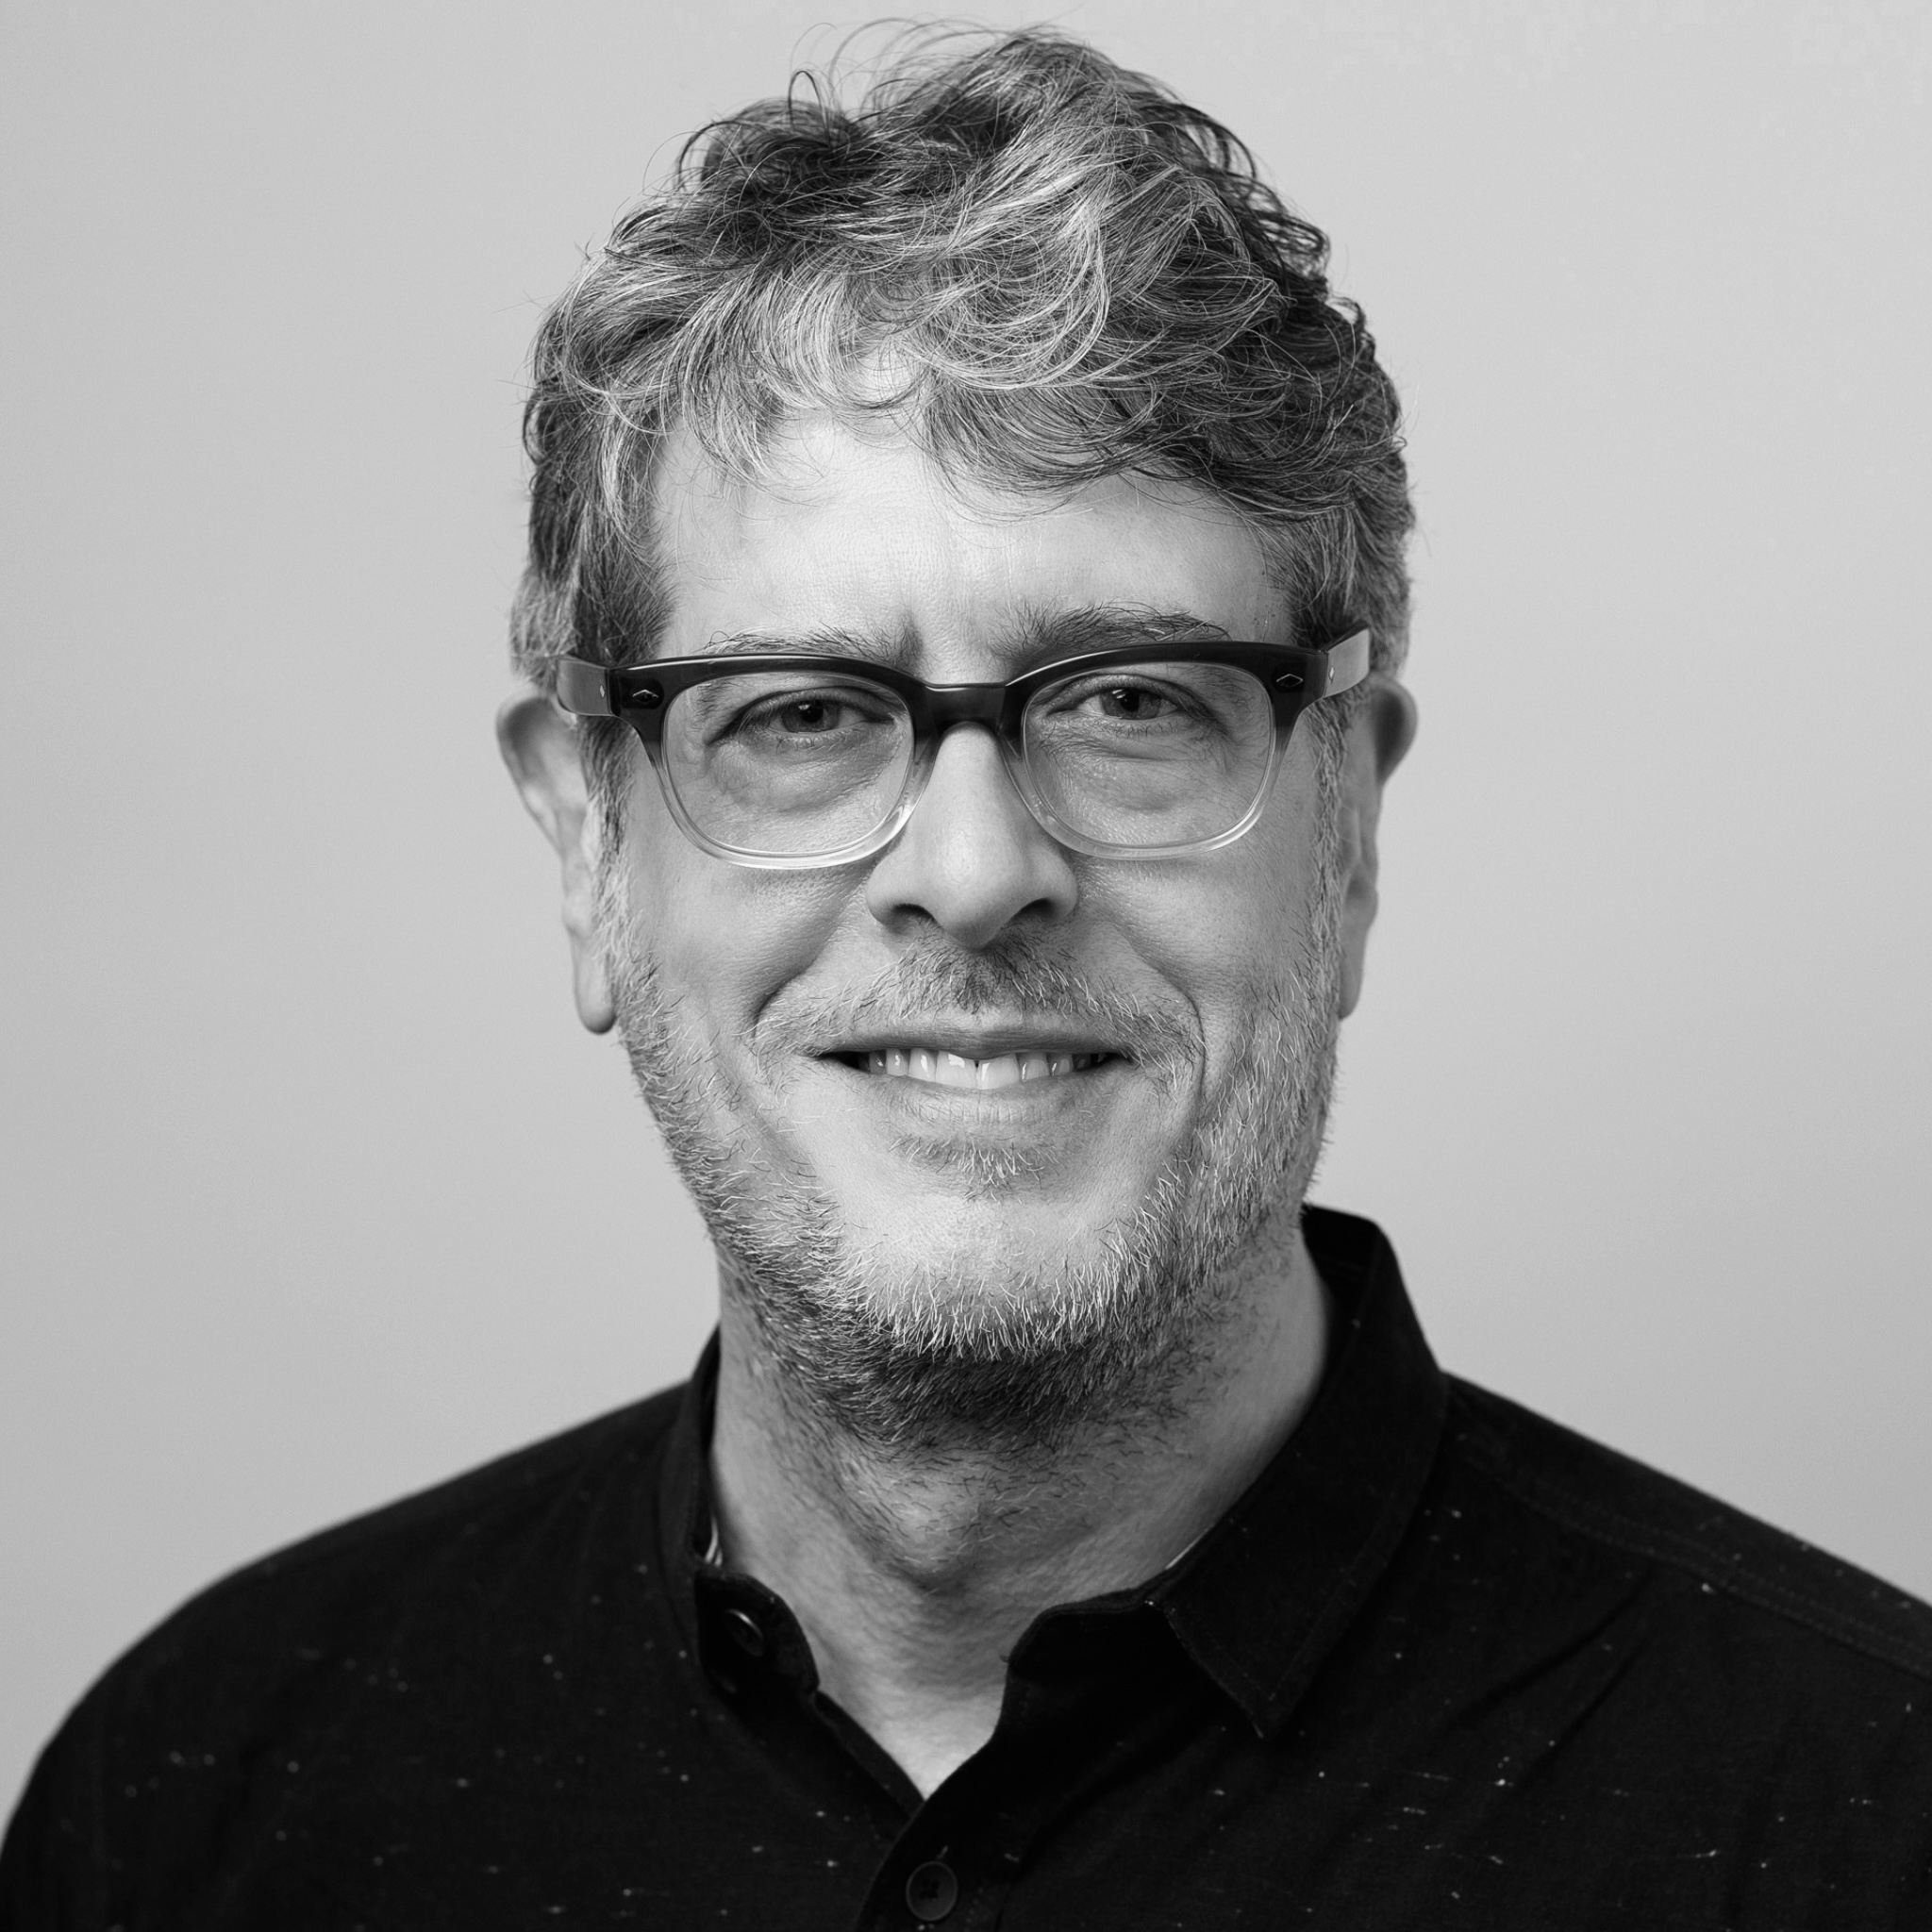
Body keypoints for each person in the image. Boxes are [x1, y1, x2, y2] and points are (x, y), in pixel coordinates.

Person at [4, 26, 1928, 1929]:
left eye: (1131, 703)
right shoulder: (207, 1810)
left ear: (1344, 830)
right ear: (590, 845)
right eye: (800, 714)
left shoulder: (1865, 1826)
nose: (976, 871)